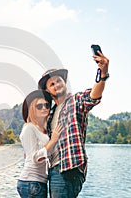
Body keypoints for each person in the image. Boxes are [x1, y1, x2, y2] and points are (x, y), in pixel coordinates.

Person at [38, 50, 109, 197]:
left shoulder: (76, 101)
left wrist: (102, 75)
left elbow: (94, 95)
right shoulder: (50, 114)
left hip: (69, 168)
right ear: (48, 90)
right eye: (52, 84)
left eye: (59, 81)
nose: (56, 84)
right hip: (53, 169)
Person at [17, 90, 63, 198]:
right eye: (39, 106)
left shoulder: (42, 130)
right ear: (32, 109)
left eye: (47, 105)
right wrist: (53, 141)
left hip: (37, 182)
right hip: (31, 182)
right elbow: (35, 158)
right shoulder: (29, 127)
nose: (44, 108)